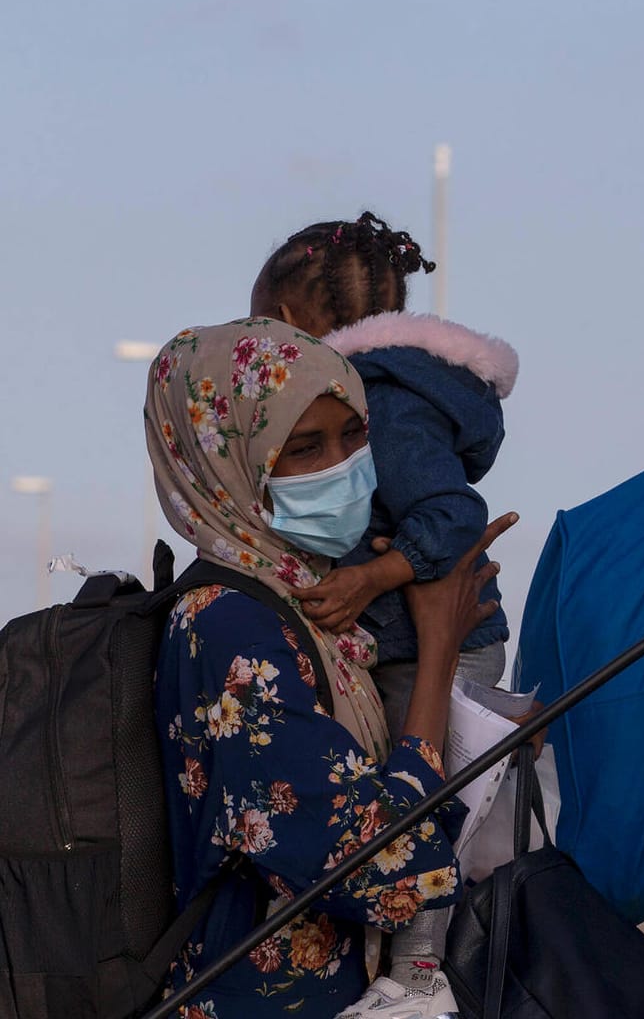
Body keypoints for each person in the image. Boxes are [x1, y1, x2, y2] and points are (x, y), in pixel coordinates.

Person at [146, 317, 516, 1018]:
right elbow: (383, 866)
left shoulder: (305, 604)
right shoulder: (232, 625)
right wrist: (437, 651)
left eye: (354, 437)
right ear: (226, 467)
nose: (342, 467)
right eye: (305, 449)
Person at [246, 211, 518, 1014]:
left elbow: (453, 518)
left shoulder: (388, 403)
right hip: (416, 636)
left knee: (420, 798)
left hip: (443, 638)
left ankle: (420, 976)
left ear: (295, 322)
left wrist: (372, 581)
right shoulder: (386, 390)